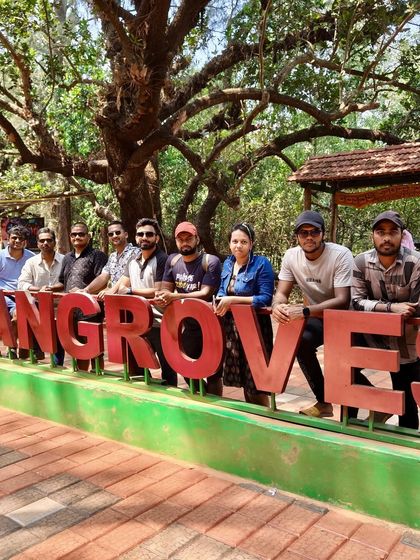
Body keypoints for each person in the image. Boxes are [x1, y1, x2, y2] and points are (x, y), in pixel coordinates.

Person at [272, 210, 369, 418]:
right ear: (296, 236)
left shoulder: (340, 254)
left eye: (314, 232)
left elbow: (343, 300)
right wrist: (278, 305)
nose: (309, 237)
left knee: (344, 368)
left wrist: (305, 311)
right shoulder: (291, 256)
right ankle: (324, 401)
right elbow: (281, 292)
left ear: (323, 233)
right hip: (320, 318)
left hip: (346, 319)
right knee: (300, 341)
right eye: (303, 232)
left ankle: (363, 412)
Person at [352, 210, 420, 429]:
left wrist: (376, 307)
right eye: (381, 232)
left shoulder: (416, 262)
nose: (387, 238)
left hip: (406, 344)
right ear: (373, 235)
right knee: (344, 372)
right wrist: (392, 307)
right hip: (371, 338)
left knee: (407, 403)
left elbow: (416, 306)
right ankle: (351, 427)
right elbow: (355, 302)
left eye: (393, 232)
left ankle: (406, 450)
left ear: (402, 234)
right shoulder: (361, 262)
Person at [156, 221, 223, 396]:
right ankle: (203, 400)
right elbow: (165, 289)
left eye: (189, 238)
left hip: (210, 326)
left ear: (197, 239)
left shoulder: (211, 261)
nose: (185, 242)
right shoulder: (172, 260)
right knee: (187, 369)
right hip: (188, 326)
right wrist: (163, 297)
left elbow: (205, 293)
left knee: (214, 374)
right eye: (181, 239)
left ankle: (215, 409)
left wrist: (174, 297)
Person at [108, 218, 177, 386]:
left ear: (157, 238)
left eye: (149, 234)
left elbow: (159, 291)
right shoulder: (132, 261)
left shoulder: (163, 259)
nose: (144, 237)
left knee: (168, 368)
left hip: (159, 322)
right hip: (136, 322)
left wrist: (132, 291)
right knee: (138, 369)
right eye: (140, 234)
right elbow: (122, 285)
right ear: (136, 237)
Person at [214, 223, 274, 406]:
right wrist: (219, 299)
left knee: (255, 382)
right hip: (231, 327)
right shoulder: (228, 263)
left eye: (243, 241)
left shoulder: (261, 263)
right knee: (242, 378)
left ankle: (266, 421)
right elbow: (223, 291)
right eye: (234, 241)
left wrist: (233, 301)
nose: (238, 245)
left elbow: (265, 298)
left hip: (254, 327)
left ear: (251, 243)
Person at [50, 222, 108, 371]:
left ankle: (98, 376)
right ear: (70, 237)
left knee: (95, 349)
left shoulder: (98, 255)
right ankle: (82, 375)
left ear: (88, 236)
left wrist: (85, 291)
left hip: (91, 311)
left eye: (81, 234)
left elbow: (103, 280)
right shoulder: (67, 258)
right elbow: (63, 282)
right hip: (71, 311)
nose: (77, 237)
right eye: (74, 234)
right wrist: (50, 288)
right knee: (78, 347)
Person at [18, 227, 65, 364]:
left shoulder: (65, 260)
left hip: (61, 308)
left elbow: (68, 282)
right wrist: (39, 290)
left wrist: (53, 289)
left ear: (54, 242)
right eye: (42, 240)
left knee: (58, 345)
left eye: (49, 240)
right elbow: (22, 283)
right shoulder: (31, 263)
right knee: (36, 352)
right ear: (37, 243)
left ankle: (58, 368)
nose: (45, 243)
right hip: (37, 309)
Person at [0, 225, 34, 358]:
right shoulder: (1, 256)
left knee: (18, 316)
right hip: (2, 295)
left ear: (25, 241)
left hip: (21, 296)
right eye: (14, 238)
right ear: (8, 239)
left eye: (21, 238)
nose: (18, 241)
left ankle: (13, 348)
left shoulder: (31, 258)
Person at [83, 220, 138, 295]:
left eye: (118, 232)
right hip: (114, 300)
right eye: (111, 234)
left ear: (126, 235)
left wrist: (111, 291)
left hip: (132, 299)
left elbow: (128, 277)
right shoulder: (112, 256)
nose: (114, 235)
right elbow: (103, 277)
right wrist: (86, 290)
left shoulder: (136, 252)